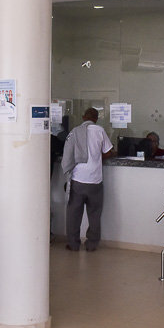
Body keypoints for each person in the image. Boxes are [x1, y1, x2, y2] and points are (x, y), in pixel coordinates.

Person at [61, 107, 114, 252]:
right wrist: (96, 157)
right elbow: (108, 152)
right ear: (96, 118)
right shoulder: (100, 131)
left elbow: (68, 155)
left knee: (73, 214)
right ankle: (91, 244)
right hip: (95, 181)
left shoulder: (75, 131)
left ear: (84, 117)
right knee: (94, 214)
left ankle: (73, 244)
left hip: (78, 179)